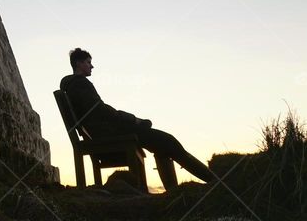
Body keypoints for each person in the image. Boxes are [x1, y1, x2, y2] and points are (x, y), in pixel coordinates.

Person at [59, 47, 215, 189]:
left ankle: (176, 191)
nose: (92, 66)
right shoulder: (80, 84)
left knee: (163, 145)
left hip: (104, 132)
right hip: (112, 133)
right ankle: (213, 181)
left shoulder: (72, 86)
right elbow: (102, 111)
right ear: (78, 63)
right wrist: (135, 120)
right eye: (88, 62)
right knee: (168, 141)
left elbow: (99, 111)